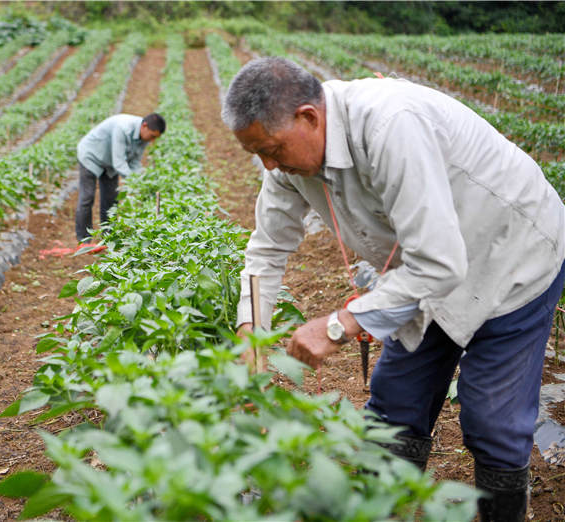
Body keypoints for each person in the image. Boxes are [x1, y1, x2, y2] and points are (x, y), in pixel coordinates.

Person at [222, 57, 565, 522]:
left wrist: (340, 324)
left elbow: (439, 262)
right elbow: (266, 251)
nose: (268, 164)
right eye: (257, 153)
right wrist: (250, 331)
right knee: (394, 406)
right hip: (427, 268)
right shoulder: (286, 164)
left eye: (272, 148)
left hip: (511, 256)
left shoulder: (390, 126)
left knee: (493, 420)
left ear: (308, 117)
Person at [75, 112, 165, 244]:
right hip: (91, 156)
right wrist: (136, 183)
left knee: (111, 199)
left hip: (109, 162)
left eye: (155, 138)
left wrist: (144, 181)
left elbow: (135, 163)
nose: (152, 140)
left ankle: (108, 239)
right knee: (87, 197)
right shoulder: (123, 128)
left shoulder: (144, 137)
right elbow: (119, 163)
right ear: (144, 126)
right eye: (152, 136)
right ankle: (84, 241)